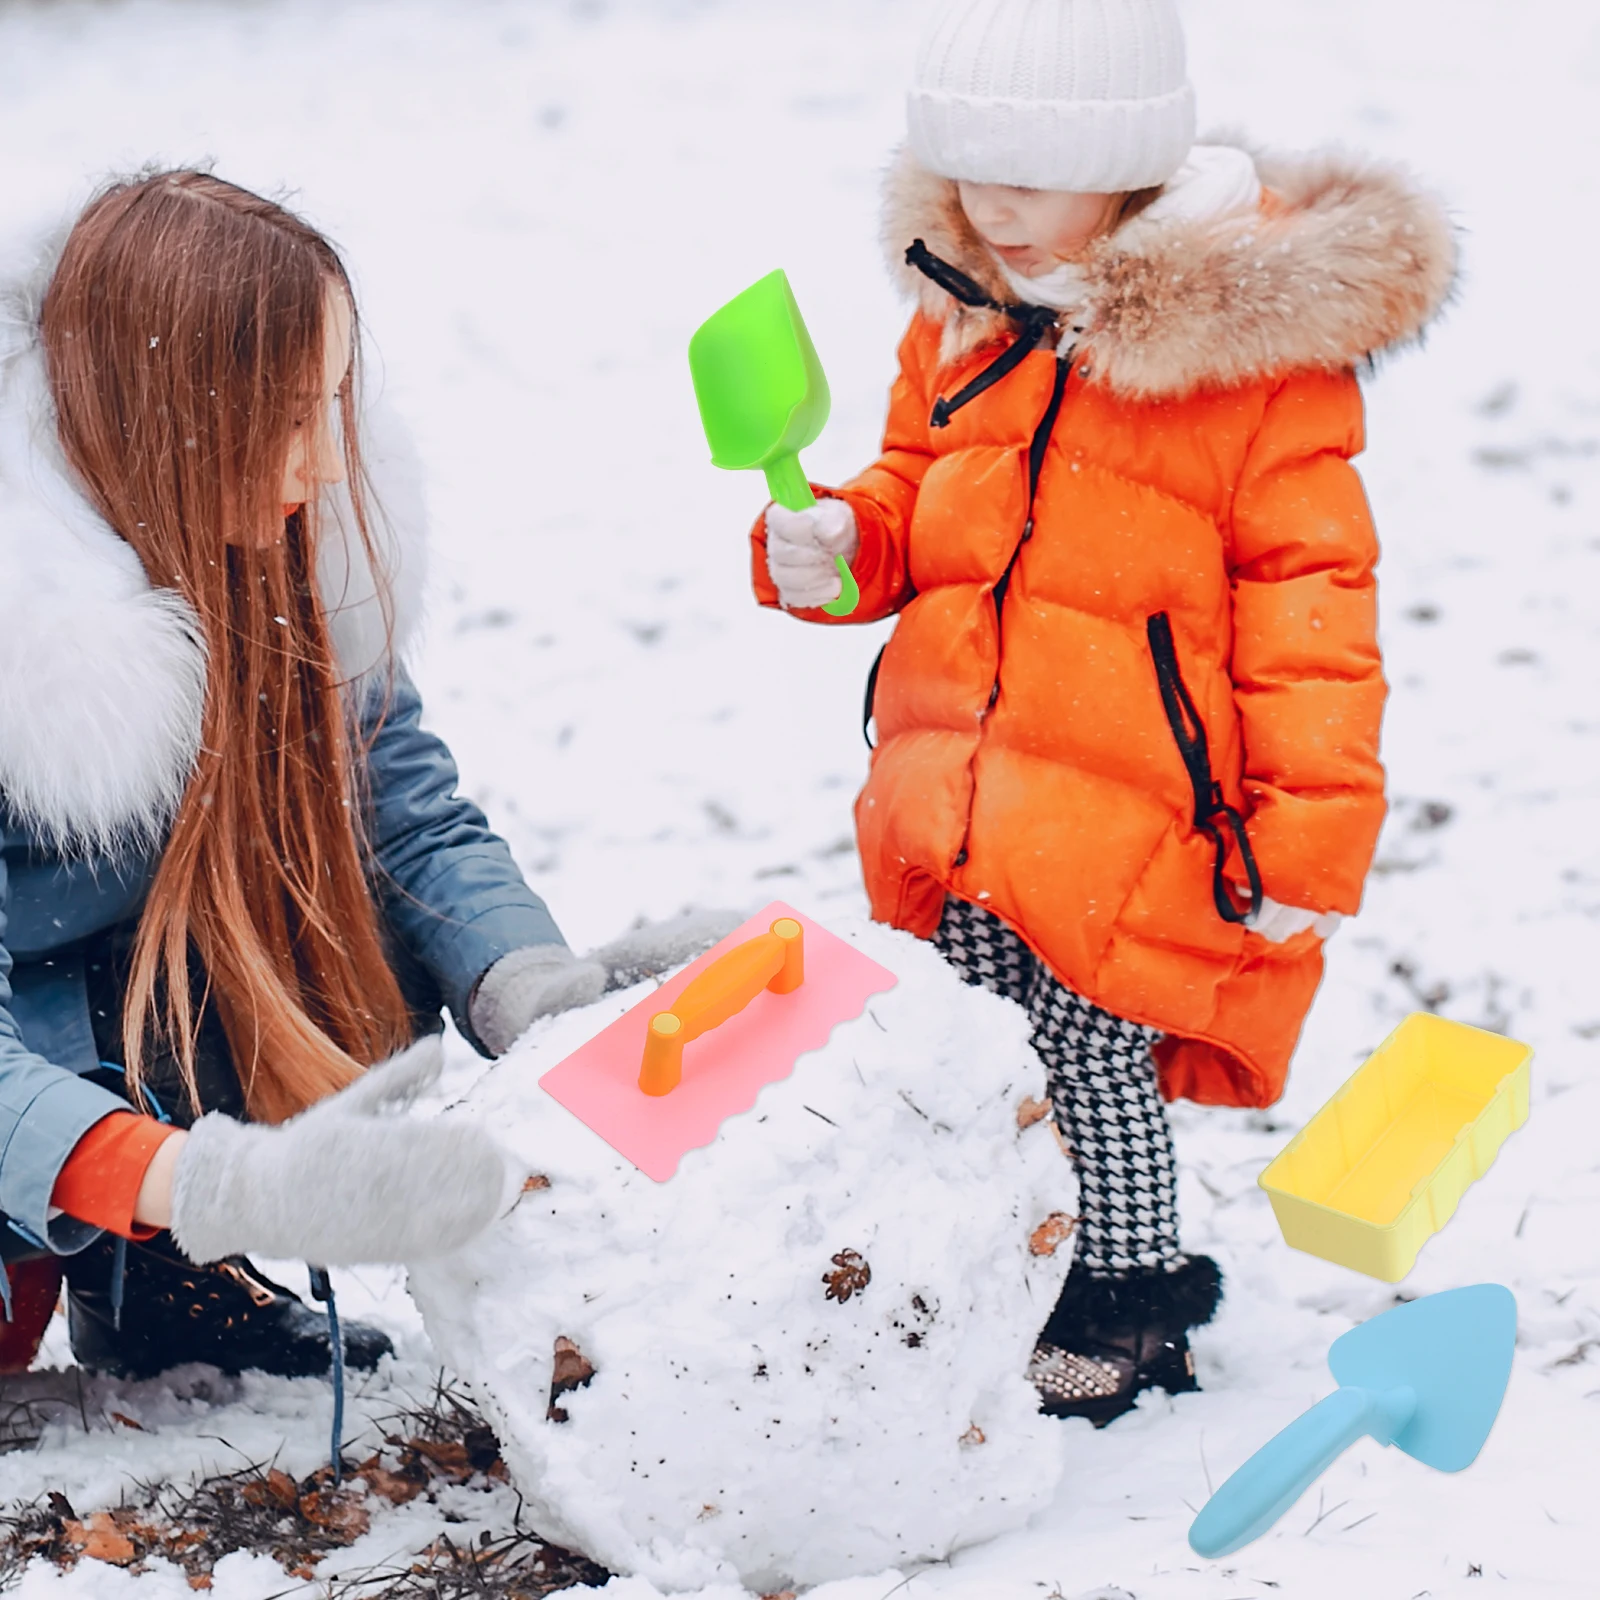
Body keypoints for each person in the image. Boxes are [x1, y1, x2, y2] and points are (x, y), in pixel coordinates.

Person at [750, 0, 1456, 1424]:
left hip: (1139, 803)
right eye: (968, 167)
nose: (994, 207)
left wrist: (1306, 844)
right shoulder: (957, 307)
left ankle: (1130, 1299)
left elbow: (1313, 611)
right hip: (960, 775)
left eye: (1030, 173)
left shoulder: (1249, 360)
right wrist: (842, 543)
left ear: (1125, 164)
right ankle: (1006, 1257)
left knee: (1089, 1046)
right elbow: (916, 495)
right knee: (968, 1037)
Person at [0, 170, 731, 1380]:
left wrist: (537, 991)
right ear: (171, 415)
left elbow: (403, 812)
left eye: (336, 405)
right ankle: (103, 1231)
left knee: (340, 908)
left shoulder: (275, 546)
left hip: (95, 1012)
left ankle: (155, 1277)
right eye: (289, 417)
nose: (332, 463)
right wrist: (219, 1184)